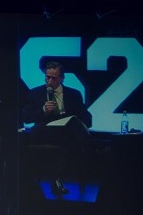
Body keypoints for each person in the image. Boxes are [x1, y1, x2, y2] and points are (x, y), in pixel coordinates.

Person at [21, 60, 92, 196]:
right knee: (76, 136)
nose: (49, 81)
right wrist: (43, 110)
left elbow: (86, 117)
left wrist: (80, 123)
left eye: (53, 78)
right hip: (43, 131)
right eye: (47, 77)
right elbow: (26, 117)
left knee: (72, 131)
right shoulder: (35, 93)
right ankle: (86, 145)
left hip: (65, 133)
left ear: (61, 78)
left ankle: (57, 178)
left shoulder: (73, 94)